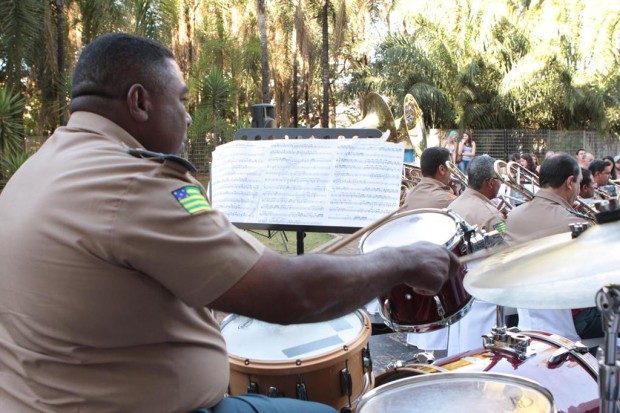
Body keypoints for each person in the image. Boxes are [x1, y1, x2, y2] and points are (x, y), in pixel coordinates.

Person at [0, 33, 460, 413]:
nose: (187, 116)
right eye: (181, 100)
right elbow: (291, 294)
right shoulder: (133, 182)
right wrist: (401, 261)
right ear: (139, 102)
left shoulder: (38, 170)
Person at [504, 153, 593, 343]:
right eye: (578, 183)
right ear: (570, 182)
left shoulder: (513, 216)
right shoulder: (576, 222)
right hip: (568, 320)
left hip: (527, 319)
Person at [402, 146, 458, 211]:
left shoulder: (410, 193)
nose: (451, 172)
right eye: (450, 168)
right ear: (442, 169)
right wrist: (454, 193)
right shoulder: (447, 199)